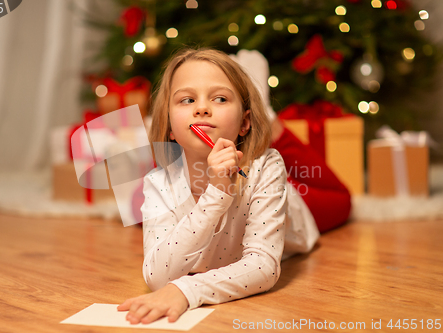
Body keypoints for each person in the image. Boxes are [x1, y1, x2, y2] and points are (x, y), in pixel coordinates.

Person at [117, 47, 326, 324]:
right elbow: (157, 276)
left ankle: (271, 118)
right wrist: (216, 193)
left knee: (341, 199)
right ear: (169, 126)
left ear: (244, 123)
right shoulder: (158, 182)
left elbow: (264, 266)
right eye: (187, 99)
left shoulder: (268, 165)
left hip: (296, 217)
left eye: (220, 98)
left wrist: (186, 290)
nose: (202, 108)